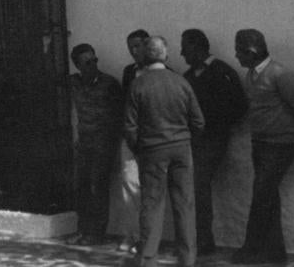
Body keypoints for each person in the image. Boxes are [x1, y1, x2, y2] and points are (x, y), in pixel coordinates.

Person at [231, 29, 294, 265]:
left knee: (261, 194)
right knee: (268, 196)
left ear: (252, 52)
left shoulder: (279, 74)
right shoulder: (251, 75)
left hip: (280, 144)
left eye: (239, 51)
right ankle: (275, 253)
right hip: (261, 142)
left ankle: (251, 248)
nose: (236, 57)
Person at [124, 36, 205, 267]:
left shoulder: (138, 84)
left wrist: (139, 149)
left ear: (146, 57)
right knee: (185, 205)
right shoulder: (181, 82)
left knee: (152, 204)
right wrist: (187, 142)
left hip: (151, 151)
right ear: (165, 56)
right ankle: (188, 259)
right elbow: (198, 122)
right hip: (181, 149)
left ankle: (148, 259)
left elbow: (130, 126)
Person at [181, 28, 248, 256]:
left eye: (185, 47)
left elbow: (240, 107)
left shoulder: (222, 72)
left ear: (197, 47)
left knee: (199, 186)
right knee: (191, 189)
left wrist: (214, 124)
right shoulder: (188, 77)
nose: (181, 53)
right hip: (192, 142)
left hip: (213, 141)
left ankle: (203, 242)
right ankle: (195, 239)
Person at [68, 43, 123, 246]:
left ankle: (97, 232)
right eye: (87, 62)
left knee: (97, 187)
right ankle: (82, 229)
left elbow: (119, 116)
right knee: (80, 187)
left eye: (94, 60)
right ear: (77, 65)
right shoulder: (73, 83)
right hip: (83, 143)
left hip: (103, 144)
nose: (92, 65)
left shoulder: (109, 84)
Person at [116, 28, 150, 254]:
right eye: (130, 49)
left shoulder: (164, 72)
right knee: (129, 184)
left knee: (150, 189)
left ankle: (148, 237)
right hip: (130, 135)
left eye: (137, 47)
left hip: (152, 138)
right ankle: (134, 234)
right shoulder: (129, 72)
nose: (134, 52)